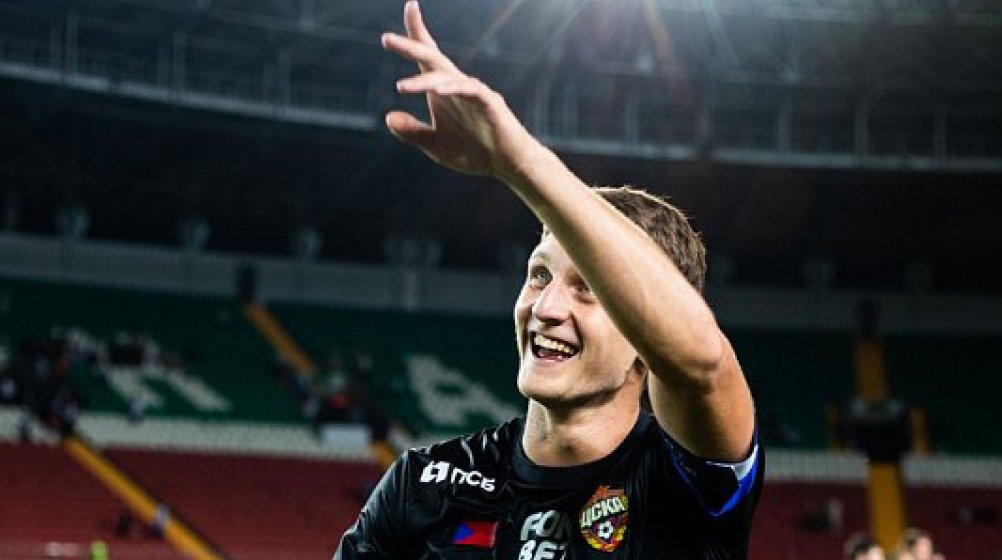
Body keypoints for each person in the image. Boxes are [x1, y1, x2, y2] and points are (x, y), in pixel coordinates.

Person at [333, 2, 761, 558]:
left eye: (590, 288)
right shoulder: (422, 488)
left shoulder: (688, 482)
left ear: (645, 339)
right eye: (539, 275)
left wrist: (520, 164)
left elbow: (700, 363)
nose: (547, 307)